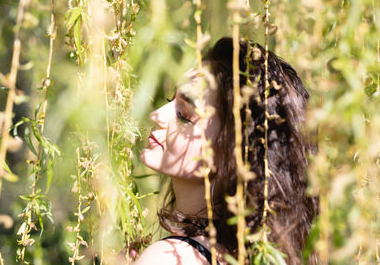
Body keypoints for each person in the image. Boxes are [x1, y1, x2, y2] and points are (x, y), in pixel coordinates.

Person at [133, 37, 318, 265]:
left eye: (184, 114)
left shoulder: (168, 258)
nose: (157, 115)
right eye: (171, 100)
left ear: (232, 150)